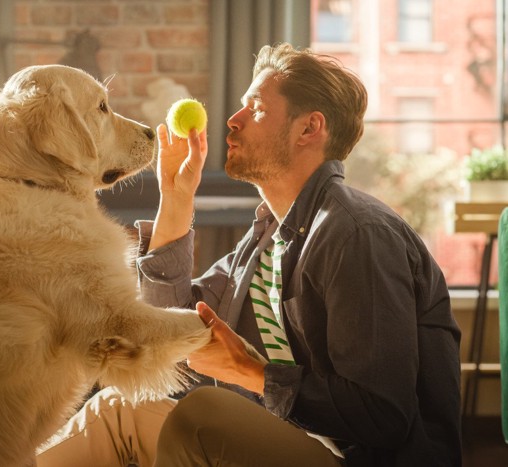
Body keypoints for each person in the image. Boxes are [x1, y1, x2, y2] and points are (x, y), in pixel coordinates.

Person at [35, 42, 462, 466]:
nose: (233, 121)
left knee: (201, 416)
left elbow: (383, 417)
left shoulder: (355, 234)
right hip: (300, 441)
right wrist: (177, 196)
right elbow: (168, 325)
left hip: (360, 459)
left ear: (309, 129)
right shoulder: (270, 237)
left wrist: (254, 373)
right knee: (119, 411)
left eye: (255, 108)